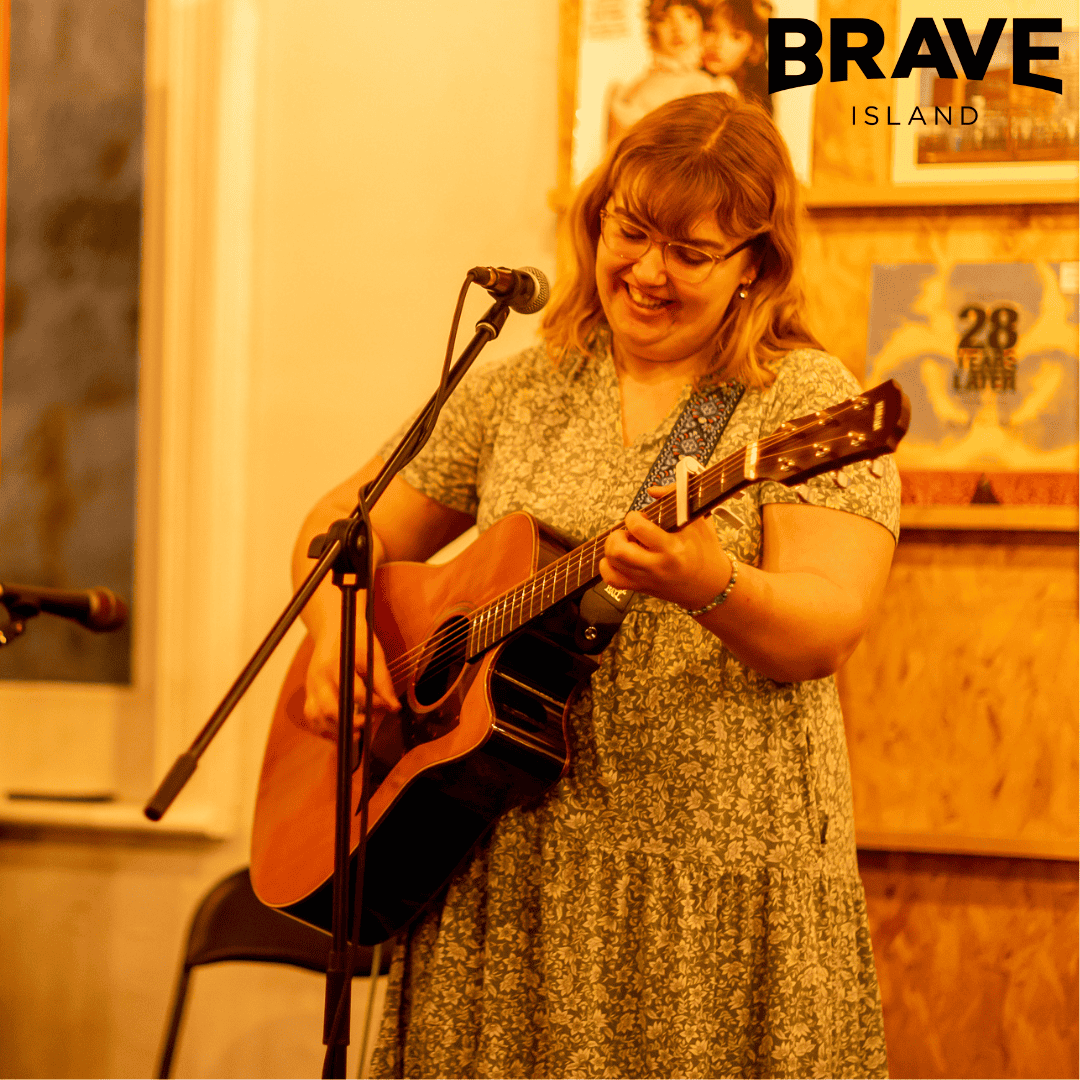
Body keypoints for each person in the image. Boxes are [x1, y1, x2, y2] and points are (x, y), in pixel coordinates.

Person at [293, 92, 896, 1078]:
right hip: (501, 876)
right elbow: (334, 534)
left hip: (708, 882)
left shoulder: (805, 401)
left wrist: (713, 584)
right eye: (632, 230)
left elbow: (827, 626)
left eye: (691, 252)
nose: (647, 270)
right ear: (594, 219)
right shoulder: (518, 386)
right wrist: (337, 634)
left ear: (757, 265)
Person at [607, 0, 737, 145]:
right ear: (652, 28)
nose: (678, 28)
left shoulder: (715, 86)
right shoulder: (632, 90)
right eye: (664, 19)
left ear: (702, 24)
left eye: (688, 17)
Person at [701, 0, 772, 111]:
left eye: (736, 36)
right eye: (712, 29)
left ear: (754, 49)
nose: (718, 43)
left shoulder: (756, 103)